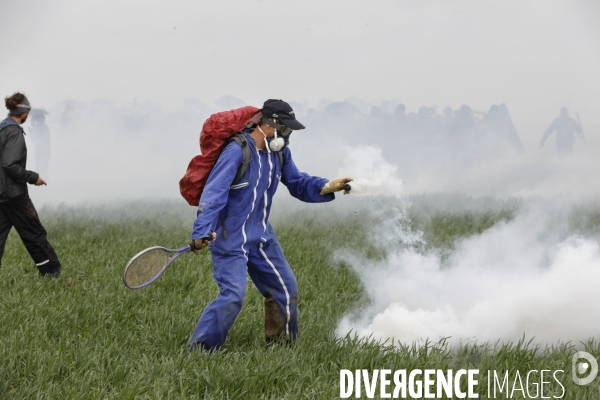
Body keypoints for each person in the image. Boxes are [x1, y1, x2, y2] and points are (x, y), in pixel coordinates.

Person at [188, 99, 352, 351]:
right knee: (232, 297)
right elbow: (214, 193)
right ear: (266, 125)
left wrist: (326, 185)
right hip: (230, 238)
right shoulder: (236, 152)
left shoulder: (279, 152)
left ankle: (281, 347)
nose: (286, 136)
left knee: (285, 289)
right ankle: (200, 350)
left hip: (262, 236)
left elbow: (297, 182)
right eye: (284, 129)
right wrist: (201, 231)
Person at [0, 93, 61, 277]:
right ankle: (51, 273)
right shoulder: (14, 132)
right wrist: (33, 177)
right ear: (23, 113)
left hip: (1, 193)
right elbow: (10, 164)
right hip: (13, 194)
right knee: (34, 233)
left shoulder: (2, 128)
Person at [29, 108, 51, 177]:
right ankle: (44, 178)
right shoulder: (45, 126)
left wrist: (31, 131)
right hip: (46, 149)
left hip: (40, 149)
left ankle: (41, 179)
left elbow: (34, 139)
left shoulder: (38, 127)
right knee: (44, 165)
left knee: (39, 165)